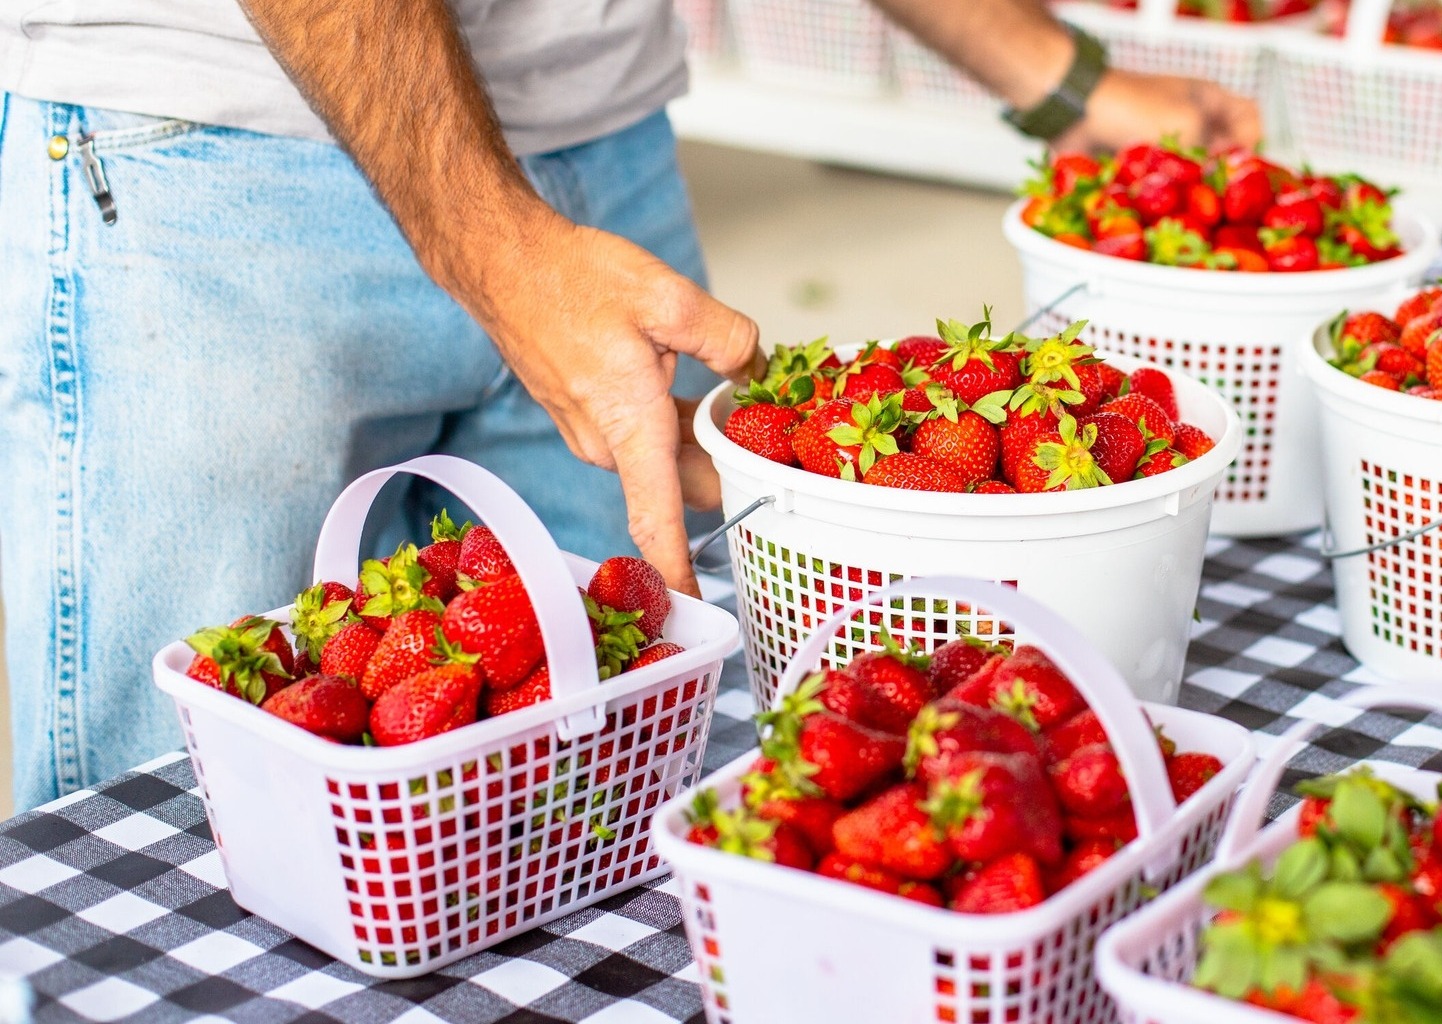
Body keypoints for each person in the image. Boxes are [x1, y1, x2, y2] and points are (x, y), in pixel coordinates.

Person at [0, 0, 1261, 806]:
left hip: (601, 131)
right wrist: (494, 244)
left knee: (602, 803)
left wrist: (1055, 75)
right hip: (208, 147)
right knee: (191, 822)